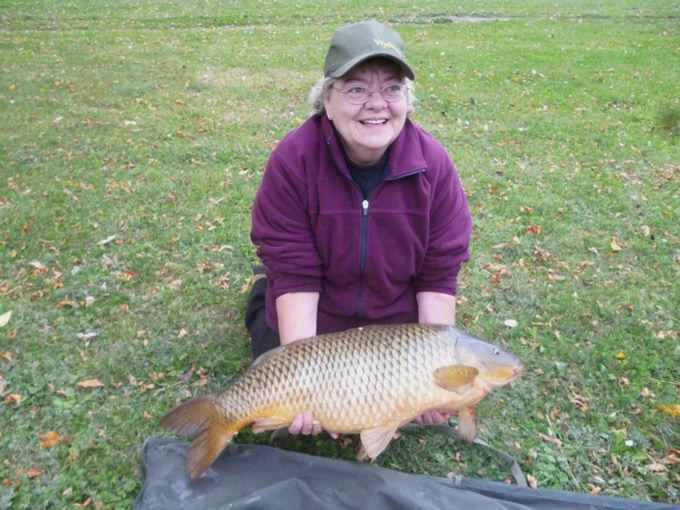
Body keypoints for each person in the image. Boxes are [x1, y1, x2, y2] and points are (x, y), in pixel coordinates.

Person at [245, 20, 472, 437]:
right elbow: (295, 273)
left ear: (407, 99)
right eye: (356, 89)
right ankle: (262, 286)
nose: (377, 103)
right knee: (273, 372)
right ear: (325, 100)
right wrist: (306, 381)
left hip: (392, 339)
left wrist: (432, 372)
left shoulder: (434, 166)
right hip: (317, 318)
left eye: (391, 88)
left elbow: (439, 273)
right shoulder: (292, 161)